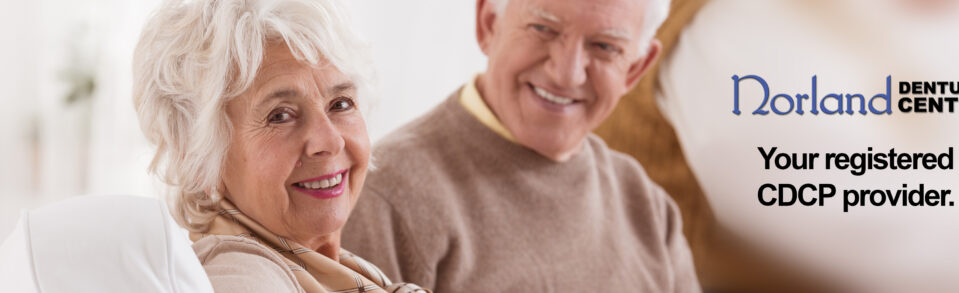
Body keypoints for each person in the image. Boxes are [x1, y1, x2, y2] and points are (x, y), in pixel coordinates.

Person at [341, 0, 701, 291]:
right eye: (543, 29)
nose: (567, 72)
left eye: (605, 47)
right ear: (488, 24)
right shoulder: (383, 196)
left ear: (636, 69)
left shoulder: (646, 205)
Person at [132, 0, 427, 292]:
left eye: (340, 104)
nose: (330, 141)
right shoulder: (241, 276)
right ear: (198, 157)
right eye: (280, 116)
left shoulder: (332, 272)